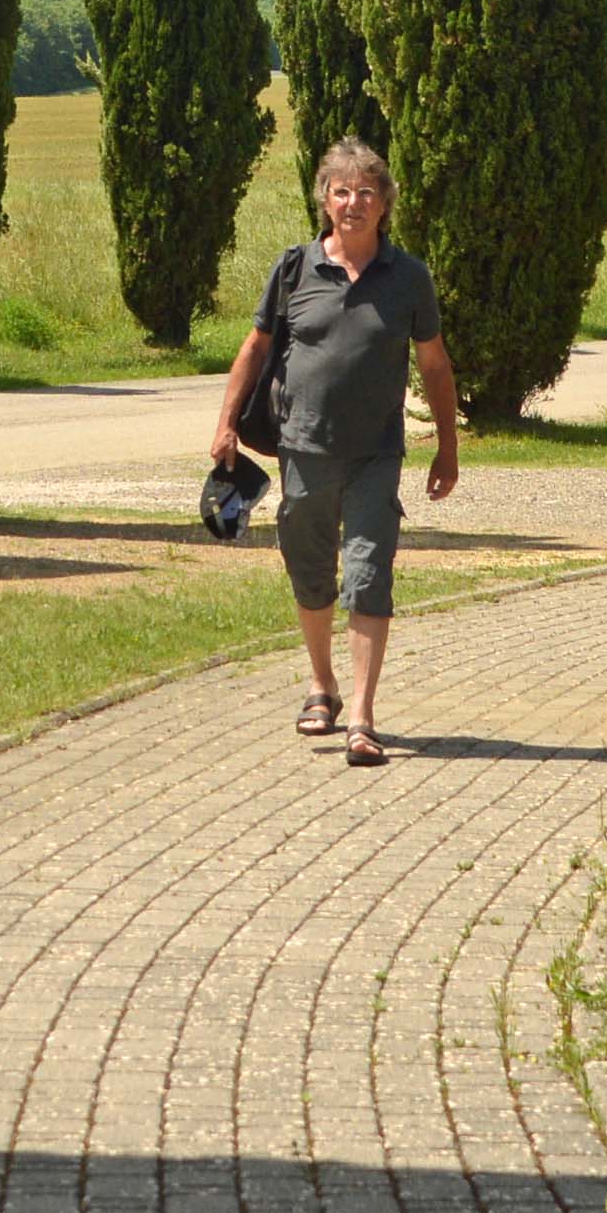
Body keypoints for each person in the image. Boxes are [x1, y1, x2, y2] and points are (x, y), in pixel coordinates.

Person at [210, 139, 458, 766]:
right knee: (311, 568)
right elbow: (254, 349)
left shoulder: (408, 278)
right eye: (342, 191)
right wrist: (226, 424)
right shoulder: (295, 269)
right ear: (325, 200)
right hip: (302, 448)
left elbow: (434, 364)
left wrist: (448, 445)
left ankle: (364, 720)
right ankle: (322, 685)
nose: (353, 202)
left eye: (366, 192)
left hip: (377, 454)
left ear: (384, 205)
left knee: (369, 574)